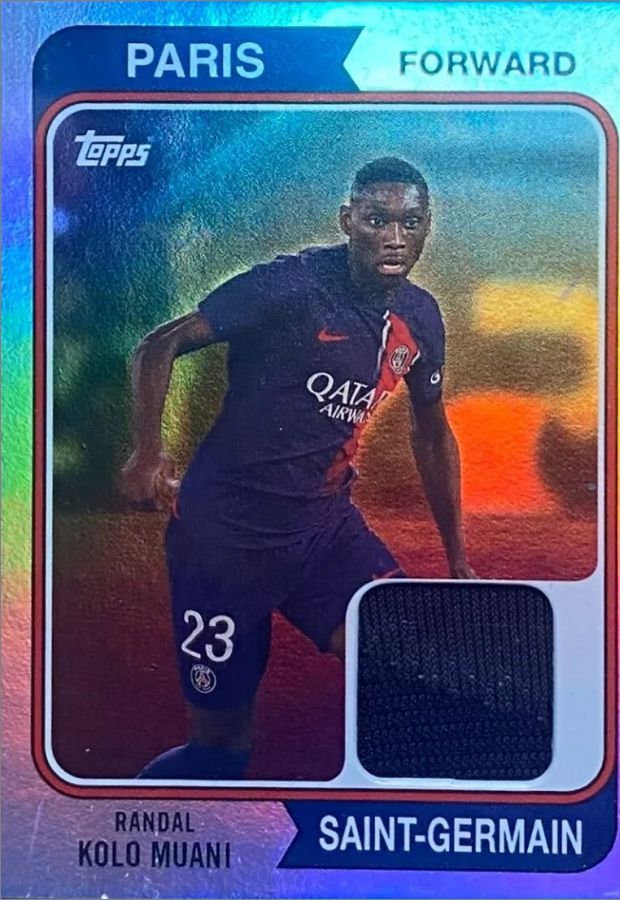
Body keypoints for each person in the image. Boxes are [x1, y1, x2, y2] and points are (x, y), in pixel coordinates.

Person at [121, 156, 475, 780]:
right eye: (377, 220)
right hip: (222, 542)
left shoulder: (420, 318)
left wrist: (457, 557)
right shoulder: (290, 287)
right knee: (220, 749)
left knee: (404, 654)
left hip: (322, 533)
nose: (394, 237)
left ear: (428, 227)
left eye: (410, 222)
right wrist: (148, 451)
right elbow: (159, 344)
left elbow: (432, 433)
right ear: (348, 220)